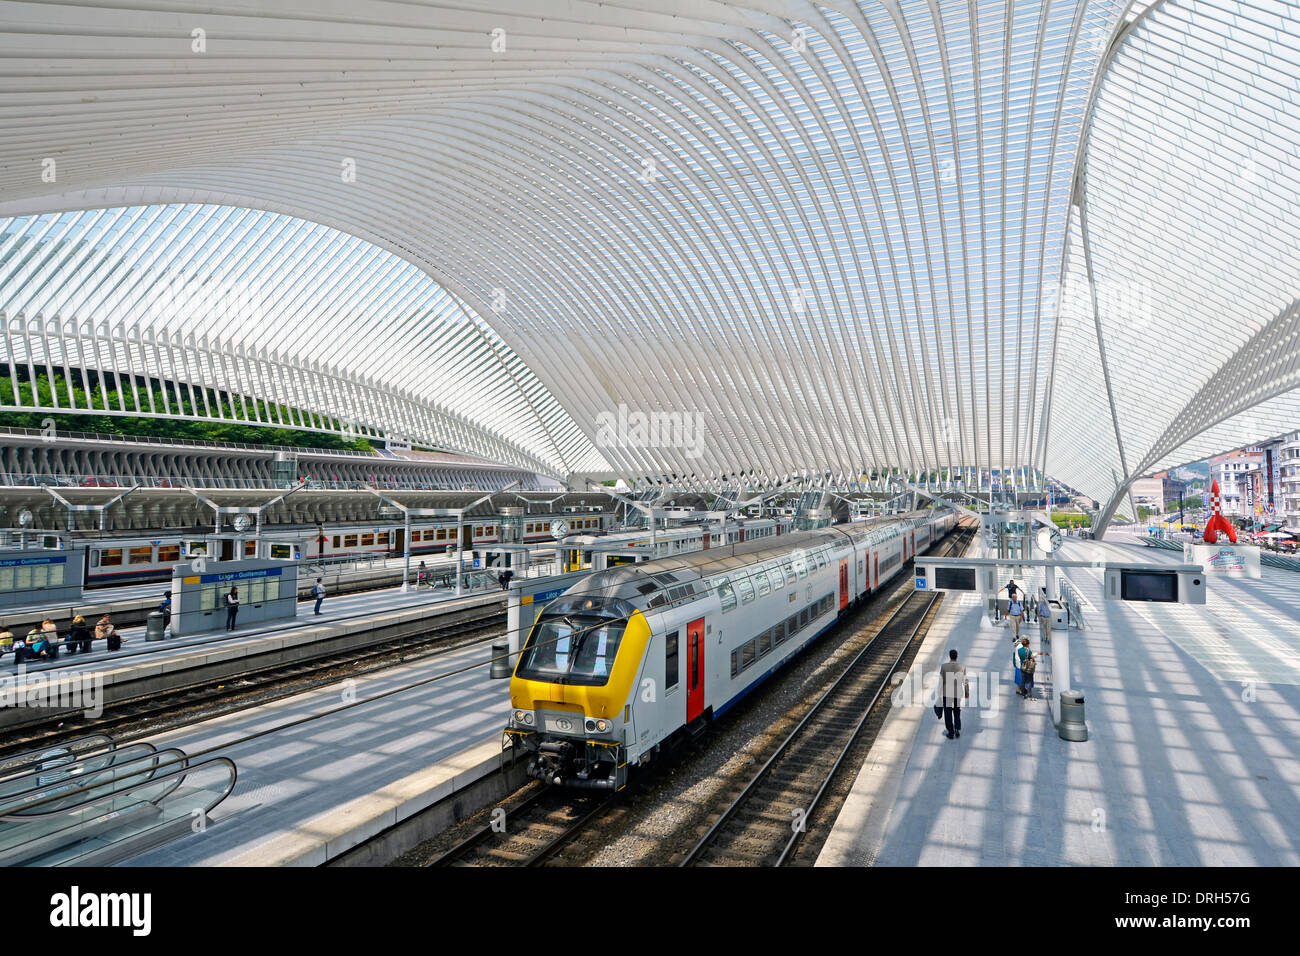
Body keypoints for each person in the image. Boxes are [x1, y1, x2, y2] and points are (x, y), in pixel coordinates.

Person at [938, 649, 968, 739]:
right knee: (957, 711)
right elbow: (965, 681)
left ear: (950, 656)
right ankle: (957, 729)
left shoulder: (944, 667)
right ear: (957, 656)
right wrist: (966, 693)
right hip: (957, 694)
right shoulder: (962, 667)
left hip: (947, 694)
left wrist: (939, 693)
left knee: (947, 713)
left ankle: (950, 732)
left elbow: (941, 681)